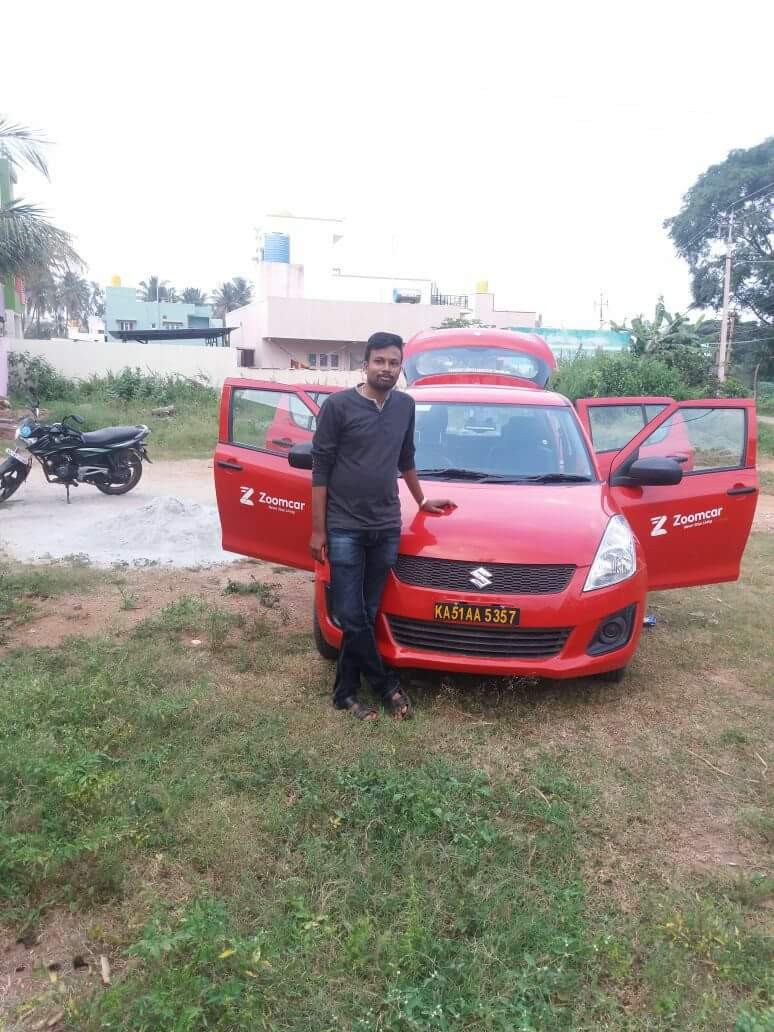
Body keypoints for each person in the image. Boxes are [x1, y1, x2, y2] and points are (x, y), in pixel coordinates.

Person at [311, 332, 455, 721]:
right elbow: (321, 469)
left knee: (367, 611)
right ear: (365, 364)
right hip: (344, 526)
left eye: (393, 362)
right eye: (379, 361)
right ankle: (386, 685)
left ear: (400, 367)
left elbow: (406, 457)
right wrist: (318, 530)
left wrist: (421, 499)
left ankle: (344, 693)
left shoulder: (405, 406)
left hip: (386, 526)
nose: (386, 369)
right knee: (350, 614)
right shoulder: (338, 407)